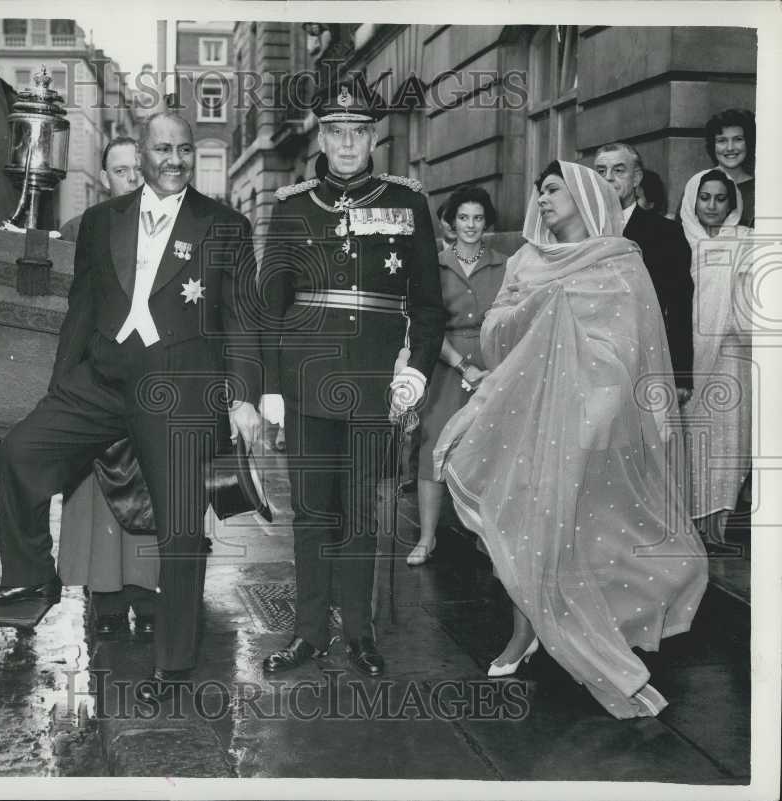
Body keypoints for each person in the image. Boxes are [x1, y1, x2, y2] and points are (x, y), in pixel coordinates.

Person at [0, 112, 263, 700]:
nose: (174, 159)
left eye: (183, 149)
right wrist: (60, 390)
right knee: (19, 454)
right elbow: (80, 309)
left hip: (178, 389)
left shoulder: (224, 225)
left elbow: (243, 320)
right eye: (163, 149)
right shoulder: (102, 223)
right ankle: (33, 582)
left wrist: (245, 397)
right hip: (102, 380)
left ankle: (173, 667)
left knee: (180, 530)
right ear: (141, 155)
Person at [434, 161, 707, 719]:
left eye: (554, 187)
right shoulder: (524, 260)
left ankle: (585, 623)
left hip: (592, 419)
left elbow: (631, 346)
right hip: (524, 414)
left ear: (584, 195)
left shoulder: (618, 260)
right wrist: (533, 310)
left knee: (582, 532)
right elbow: (493, 331)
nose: (544, 195)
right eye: (541, 189)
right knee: (519, 523)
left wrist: (594, 413)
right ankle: (524, 631)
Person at [258, 80, 445, 677]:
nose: (345, 143)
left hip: (372, 386)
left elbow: (430, 304)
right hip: (307, 383)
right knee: (312, 514)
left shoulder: (407, 202)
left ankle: (360, 634)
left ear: (372, 138)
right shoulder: (291, 205)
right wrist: (270, 386)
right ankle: (309, 633)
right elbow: (270, 303)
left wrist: (415, 370)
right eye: (335, 132)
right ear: (322, 136)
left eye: (357, 132)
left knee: (362, 515)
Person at [55, 135, 154, 638]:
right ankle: (106, 599)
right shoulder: (85, 229)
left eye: (138, 168)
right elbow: (74, 308)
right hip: (100, 381)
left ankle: (146, 592)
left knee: (154, 493)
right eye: (120, 170)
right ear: (105, 177)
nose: (131, 178)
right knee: (97, 497)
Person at [406, 187, 507, 566]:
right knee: (434, 449)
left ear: (487, 222)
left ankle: (490, 537)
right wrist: (464, 366)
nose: (470, 225)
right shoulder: (434, 264)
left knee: (493, 450)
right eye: (463, 217)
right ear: (451, 222)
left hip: (494, 365)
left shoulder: (505, 265)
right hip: (445, 364)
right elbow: (426, 324)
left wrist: (495, 368)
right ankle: (428, 538)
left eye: (478, 218)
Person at [678, 168, 753, 544]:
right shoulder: (677, 241)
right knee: (691, 448)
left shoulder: (746, 241)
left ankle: (719, 535)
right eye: (704, 198)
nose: (711, 205)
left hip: (730, 358)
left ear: (732, 202)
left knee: (727, 448)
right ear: (692, 200)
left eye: (720, 198)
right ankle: (691, 537)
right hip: (687, 361)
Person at [594, 143, 694, 404]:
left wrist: (681, 376)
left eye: (618, 170)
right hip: (590, 362)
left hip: (645, 359)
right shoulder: (582, 232)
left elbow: (679, 306)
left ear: (636, 177)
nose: (608, 178)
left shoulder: (666, 233)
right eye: (601, 171)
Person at [58, 136, 140, 242]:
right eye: (120, 171)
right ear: (106, 179)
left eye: (140, 169)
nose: (132, 178)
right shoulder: (77, 231)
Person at [701, 109, 755, 227]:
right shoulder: (697, 185)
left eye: (738, 139)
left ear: (749, 143)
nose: (730, 148)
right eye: (722, 141)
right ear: (712, 145)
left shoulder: (760, 191)